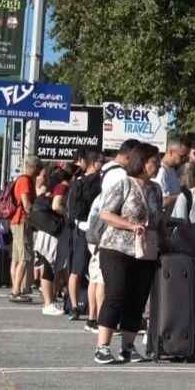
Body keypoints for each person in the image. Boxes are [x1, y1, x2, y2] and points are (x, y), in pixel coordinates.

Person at [93, 142, 163, 365]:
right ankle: (102, 347)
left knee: (138, 297)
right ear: (141, 163)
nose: (158, 165)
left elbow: (158, 218)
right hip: (117, 247)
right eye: (154, 161)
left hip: (145, 251)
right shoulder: (123, 184)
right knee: (116, 293)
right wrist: (130, 225)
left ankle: (128, 347)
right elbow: (105, 213)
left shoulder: (155, 189)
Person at [85, 139, 138, 332]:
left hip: (96, 229)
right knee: (103, 281)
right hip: (108, 232)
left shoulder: (107, 170)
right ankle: (103, 321)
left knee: (96, 277)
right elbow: (112, 208)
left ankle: (94, 318)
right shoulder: (120, 175)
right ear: (129, 155)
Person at [67, 150, 104, 320]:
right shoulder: (80, 182)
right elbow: (73, 210)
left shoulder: (101, 181)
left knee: (93, 271)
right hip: (83, 229)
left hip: (94, 229)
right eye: (100, 162)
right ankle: (74, 306)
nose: (102, 165)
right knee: (78, 269)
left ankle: (89, 311)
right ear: (93, 163)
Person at [33, 167, 73, 316]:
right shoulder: (62, 187)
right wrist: (68, 212)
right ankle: (48, 303)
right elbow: (56, 205)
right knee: (49, 267)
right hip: (53, 232)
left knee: (49, 266)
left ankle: (49, 301)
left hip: (46, 230)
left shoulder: (50, 188)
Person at [10, 156, 42, 302]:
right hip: (22, 221)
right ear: (32, 167)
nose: (39, 172)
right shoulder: (25, 181)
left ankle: (16, 289)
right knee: (25, 257)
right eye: (38, 169)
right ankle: (17, 290)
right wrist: (37, 218)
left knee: (18, 257)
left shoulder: (22, 179)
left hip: (17, 221)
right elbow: (26, 203)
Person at [153, 138, 189, 209]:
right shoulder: (161, 171)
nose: (184, 159)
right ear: (170, 152)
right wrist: (182, 196)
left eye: (186, 156)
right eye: (182, 156)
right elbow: (162, 202)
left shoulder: (172, 169)